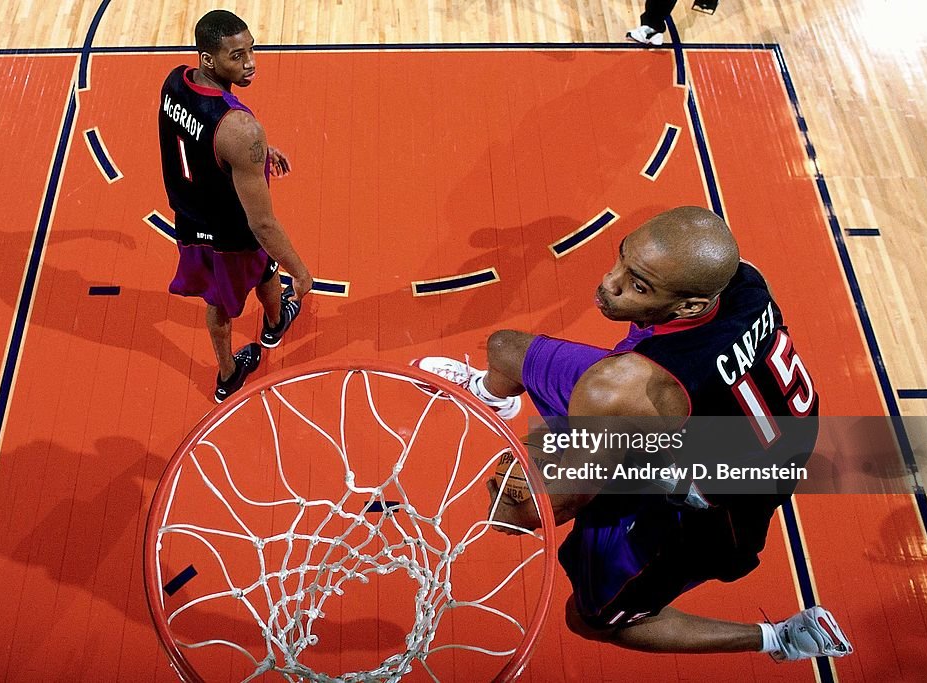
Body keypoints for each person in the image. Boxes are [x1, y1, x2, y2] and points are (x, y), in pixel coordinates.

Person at [415, 207, 853, 662]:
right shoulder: (742, 281)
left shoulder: (627, 388)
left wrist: (519, 484)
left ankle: (780, 638)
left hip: (719, 502)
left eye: (639, 286)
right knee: (506, 351)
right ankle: (495, 396)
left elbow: (540, 514)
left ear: (689, 305)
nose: (610, 282)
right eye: (622, 259)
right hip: (737, 425)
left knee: (584, 614)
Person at [158, 9, 313, 403]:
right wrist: (301, 269)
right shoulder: (241, 130)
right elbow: (262, 224)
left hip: (190, 220)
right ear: (209, 59)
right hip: (232, 232)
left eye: (252, 50)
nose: (251, 63)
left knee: (256, 274)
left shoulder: (175, 81)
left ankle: (275, 324)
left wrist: (255, 157)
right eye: (237, 56)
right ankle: (228, 375)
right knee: (227, 299)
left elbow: (203, 141)